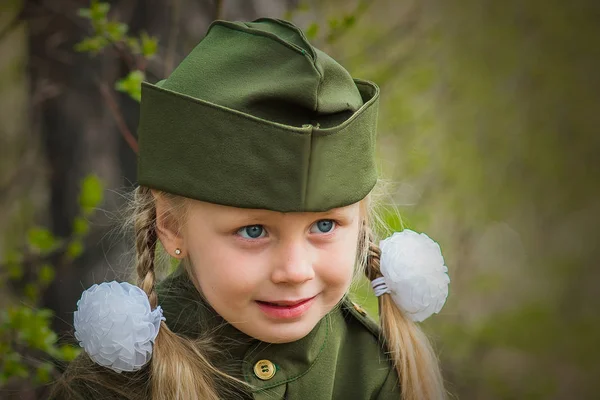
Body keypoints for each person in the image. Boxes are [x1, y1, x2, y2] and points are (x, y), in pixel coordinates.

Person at [50, 17, 450, 400]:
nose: (295, 272)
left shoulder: (378, 373)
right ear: (171, 226)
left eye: (325, 225)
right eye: (254, 231)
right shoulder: (113, 386)